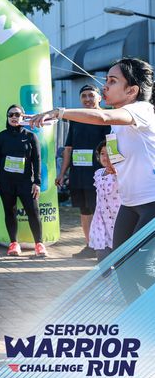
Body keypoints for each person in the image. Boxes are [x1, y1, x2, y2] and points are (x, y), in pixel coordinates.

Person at [29, 58, 155, 301]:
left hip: (151, 203)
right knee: (119, 263)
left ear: (132, 90)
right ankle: (136, 316)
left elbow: (102, 117)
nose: (104, 86)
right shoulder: (118, 125)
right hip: (129, 204)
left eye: (112, 81)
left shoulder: (142, 109)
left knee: (140, 267)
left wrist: (60, 112)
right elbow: (120, 156)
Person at [55, 85, 110, 259]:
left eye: (91, 95)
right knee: (84, 211)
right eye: (84, 96)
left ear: (99, 98)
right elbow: (68, 149)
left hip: (99, 175)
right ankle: (90, 245)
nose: (87, 99)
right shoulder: (76, 119)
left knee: (99, 211)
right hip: (78, 174)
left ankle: (104, 246)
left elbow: (111, 147)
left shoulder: (106, 118)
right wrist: (62, 173)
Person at [0, 104, 47, 258]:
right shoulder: (1, 137)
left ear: (23, 117)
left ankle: (39, 244)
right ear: (7, 118)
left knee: (33, 212)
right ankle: (13, 243)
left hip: (26, 182)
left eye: (17, 114)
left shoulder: (31, 136)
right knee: (10, 212)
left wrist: (37, 182)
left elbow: (37, 160)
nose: (14, 117)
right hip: (5, 182)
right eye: (11, 115)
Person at [89, 140, 120, 262]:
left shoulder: (122, 173)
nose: (105, 157)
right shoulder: (98, 173)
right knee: (101, 253)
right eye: (102, 153)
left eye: (109, 154)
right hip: (101, 220)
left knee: (119, 253)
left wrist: (117, 172)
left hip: (117, 219)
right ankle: (105, 274)